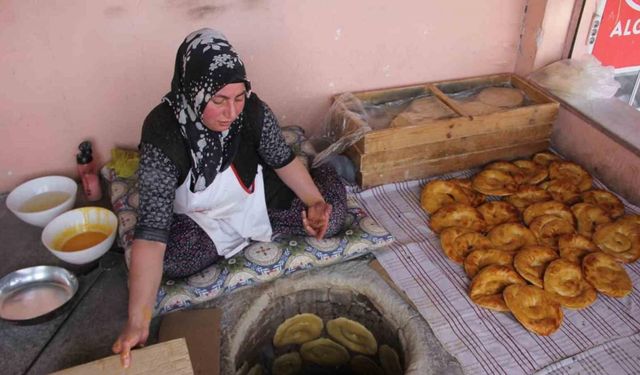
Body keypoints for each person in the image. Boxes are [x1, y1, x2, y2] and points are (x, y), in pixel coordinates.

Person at [112, 28, 347, 368]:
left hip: (255, 198)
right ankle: (244, 233)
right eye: (219, 100)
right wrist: (138, 319)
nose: (231, 112)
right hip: (202, 218)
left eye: (239, 97)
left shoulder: (252, 112)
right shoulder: (162, 132)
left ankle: (324, 174)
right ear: (192, 90)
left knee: (333, 217)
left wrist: (313, 202)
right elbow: (152, 233)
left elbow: (281, 161)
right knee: (171, 260)